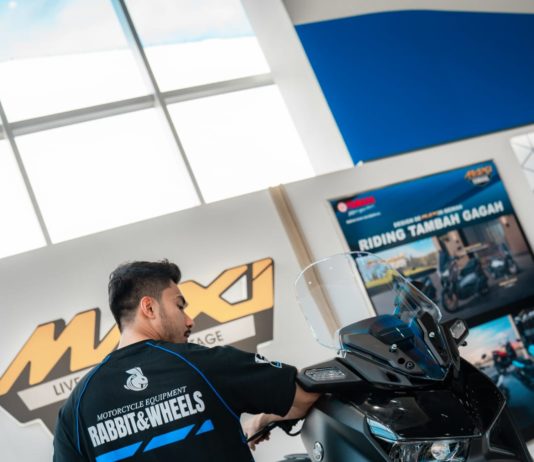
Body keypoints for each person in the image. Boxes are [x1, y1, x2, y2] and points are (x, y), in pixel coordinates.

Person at [53, 260, 319, 461]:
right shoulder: (204, 364)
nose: (189, 320)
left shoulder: (76, 409)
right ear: (149, 307)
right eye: (179, 306)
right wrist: (262, 419)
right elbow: (303, 397)